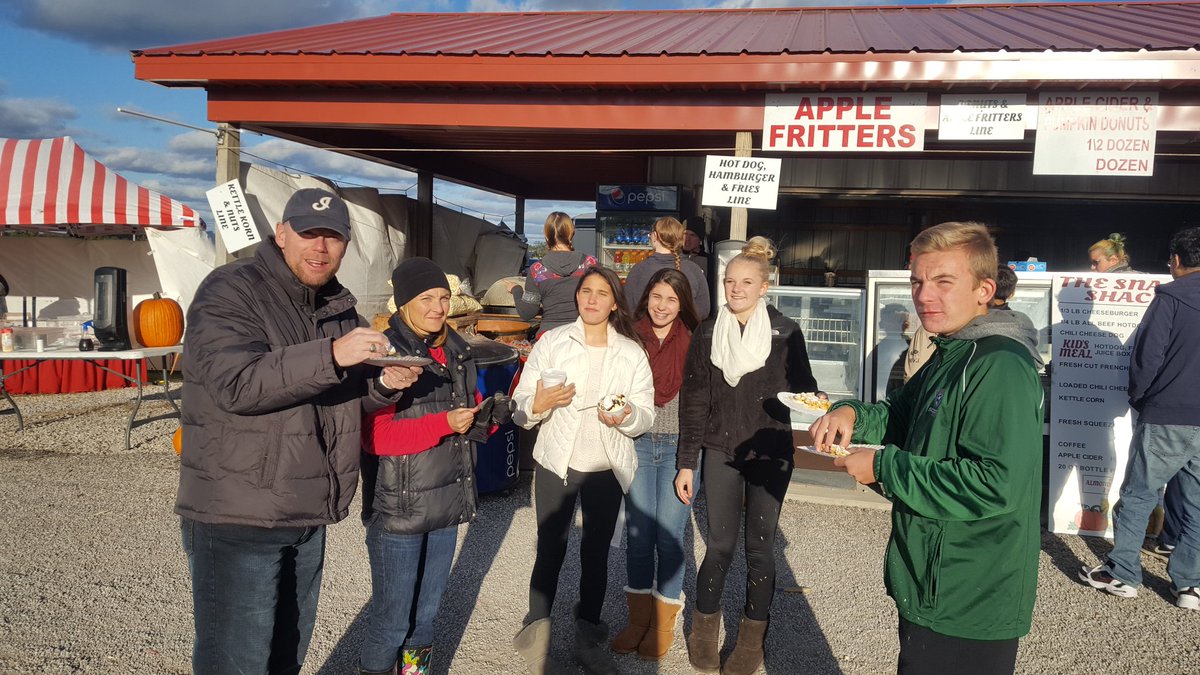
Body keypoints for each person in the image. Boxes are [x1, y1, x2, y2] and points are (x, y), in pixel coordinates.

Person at [177, 188, 423, 675]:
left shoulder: (337, 307)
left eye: (333, 237)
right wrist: (332, 355)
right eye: (309, 234)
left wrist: (383, 387)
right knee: (237, 662)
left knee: (286, 655)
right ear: (282, 234)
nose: (320, 247)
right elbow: (236, 383)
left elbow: (340, 400)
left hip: (306, 513)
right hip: (240, 514)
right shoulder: (230, 289)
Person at [809, 221, 1044, 675]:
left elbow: (995, 484)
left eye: (943, 281)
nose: (924, 295)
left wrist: (884, 467)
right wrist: (852, 414)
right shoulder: (953, 350)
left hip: (968, 591)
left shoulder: (998, 365)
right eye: (917, 281)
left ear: (984, 289)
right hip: (933, 576)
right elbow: (902, 414)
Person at [356, 257, 507, 675]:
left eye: (443, 297)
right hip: (398, 510)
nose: (437, 307)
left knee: (425, 619)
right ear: (403, 302)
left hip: (446, 505)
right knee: (391, 621)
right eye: (426, 298)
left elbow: (465, 432)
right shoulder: (384, 351)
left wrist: (489, 419)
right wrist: (443, 423)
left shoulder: (459, 351)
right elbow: (374, 438)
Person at [677, 236, 817, 675]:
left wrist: (817, 400)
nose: (735, 289)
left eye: (746, 282)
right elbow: (695, 398)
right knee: (719, 544)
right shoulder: (707, 331)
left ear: (764, 287)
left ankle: (751, 642)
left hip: (770, 450)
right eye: (730, 281)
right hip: (720, 449)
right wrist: (686, 461)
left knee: (759, 547)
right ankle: (703, 631)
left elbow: (805, 386)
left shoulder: (786, 331)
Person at [511, 266, 655, 675]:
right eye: (585, 291)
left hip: (606, 464)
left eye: (602, 293)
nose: (592, 299)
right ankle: (537, 634)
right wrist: (538, 405)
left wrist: (627, 416)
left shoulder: (630, 351)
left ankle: (588, 636)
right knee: (551, 546)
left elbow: (645, 412)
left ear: (614, 302)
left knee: (595, 553)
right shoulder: (552, 342)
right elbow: (522, 405)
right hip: (557, 459)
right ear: (576, 297)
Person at [1080, 226, 1200, 611]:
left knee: (1137, 495)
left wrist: (1140, 397)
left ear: (1177, 261)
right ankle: (1189, 586)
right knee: (1197, 504)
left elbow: (1148, 357)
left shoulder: (1170, 297)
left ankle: (1123, 574)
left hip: (1166, 413)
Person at [610, 268, 701, 661]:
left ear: (682, 305)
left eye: (672, 299)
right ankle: (638, 621)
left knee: (669, 536)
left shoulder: (696, 343)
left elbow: (698, 409)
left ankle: (663, 623)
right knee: (638, 536)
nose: (662, 307)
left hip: (678, 447)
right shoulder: (629, 336)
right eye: (656, 297)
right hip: (638, 443)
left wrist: (689, 464)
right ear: (646, 297)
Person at [510, 212, 598, 335]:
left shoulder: (537, 270)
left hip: (549, 337)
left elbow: (527, 312)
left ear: (546, 236)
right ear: (572, 233)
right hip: (585, 334)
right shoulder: (590, 264)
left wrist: (516, 289)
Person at [623, 216, 710, 320]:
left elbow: (628, 309)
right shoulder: (693, 269)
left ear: (654, 236)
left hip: (645, 334)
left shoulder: (640, 270)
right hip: (684, 334)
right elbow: (704, 310)